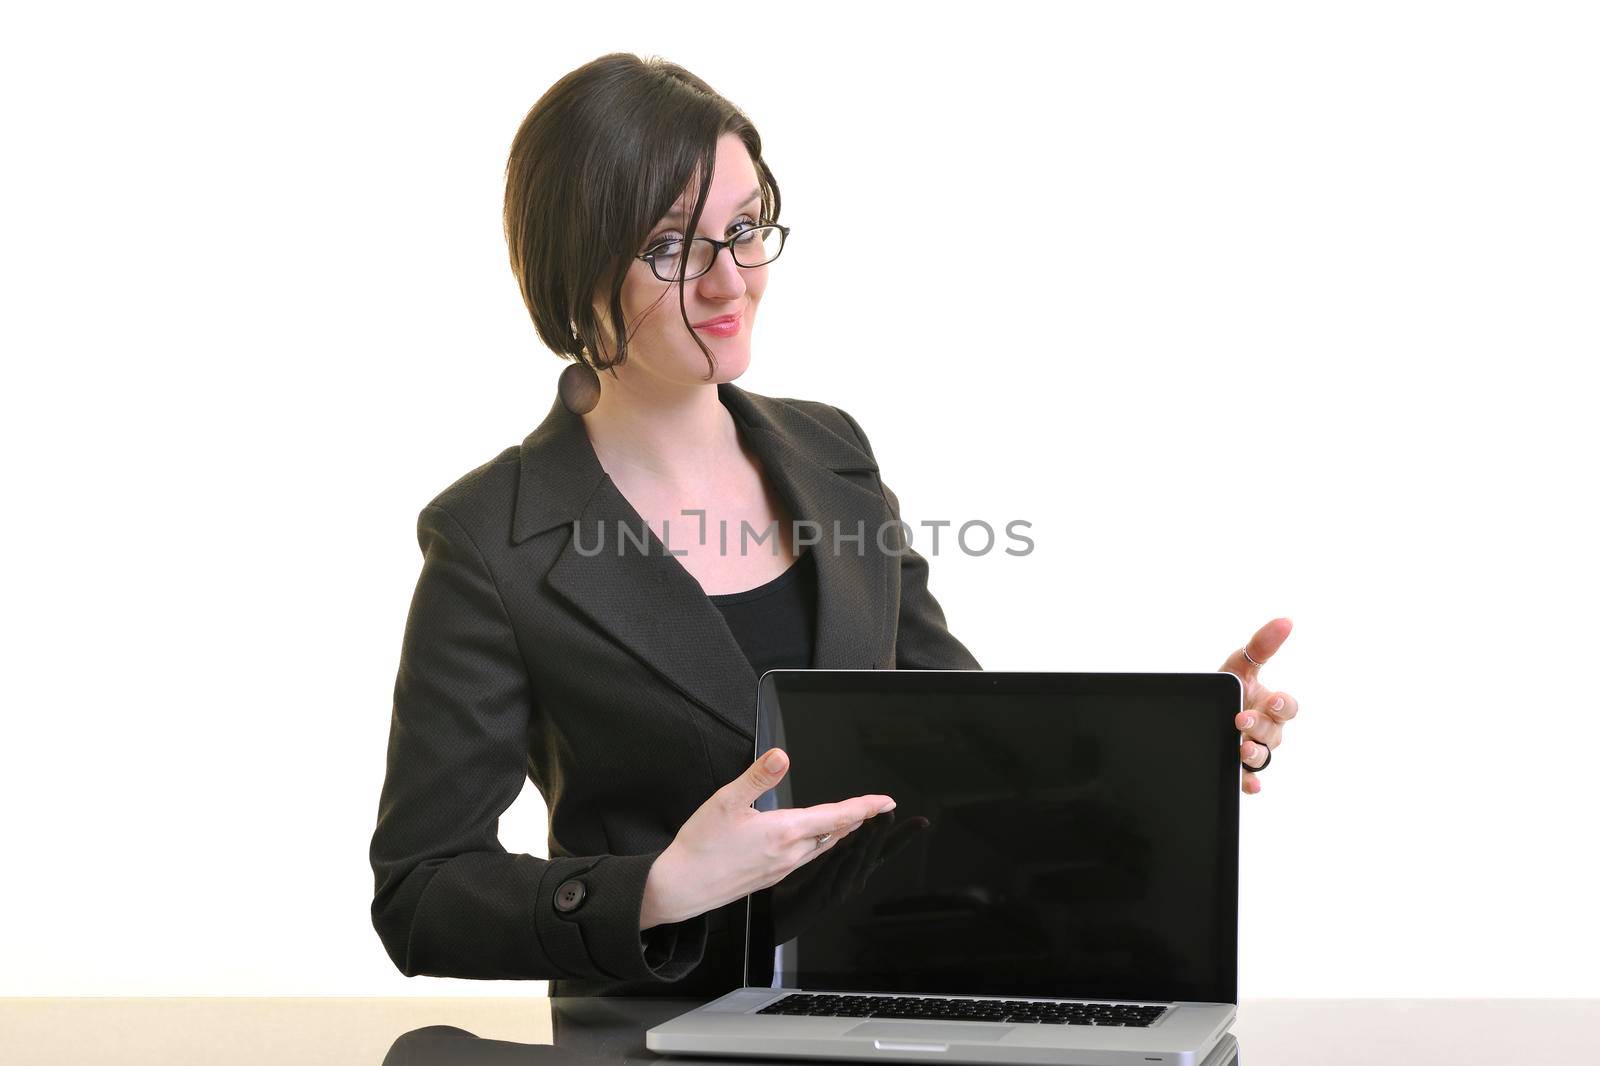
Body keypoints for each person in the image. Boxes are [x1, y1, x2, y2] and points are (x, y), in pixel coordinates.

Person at [368, 52, 1298, 998]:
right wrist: (657, 889)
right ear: (575, 265)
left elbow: (976, 740)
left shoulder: (835, 457)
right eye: (671, 246)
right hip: (659, 1039)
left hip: (908, 1002)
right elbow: (421, 887)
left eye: (742, 229)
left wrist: (1174, 741)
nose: (730, 282)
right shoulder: (490, 540)